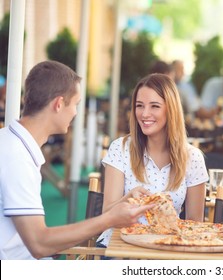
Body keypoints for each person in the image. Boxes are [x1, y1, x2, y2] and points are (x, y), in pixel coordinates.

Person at [0, 61, 154, 260]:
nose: (75, 112)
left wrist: (117, 209)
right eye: (75, 104)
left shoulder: (9, 141)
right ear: (58, 104)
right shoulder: (16, 157)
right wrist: (109, 219)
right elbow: (38, 243)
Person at [96, 73, 209, 247]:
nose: (145, 114)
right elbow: (106, 216)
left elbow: (195, 224)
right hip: (120, 245)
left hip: (167, 248)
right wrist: (127, 199)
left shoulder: (193, 157)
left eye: (155, 106)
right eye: (139, 106)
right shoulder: (120, 148)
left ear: (170, 109)